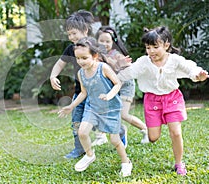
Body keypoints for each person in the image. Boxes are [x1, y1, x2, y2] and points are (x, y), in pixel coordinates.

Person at [117, 26, 209, 176]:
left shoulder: (174, 60)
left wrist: (198, 74)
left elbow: (189, 67)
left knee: (176, 132)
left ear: (166, 45)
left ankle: (179, 164)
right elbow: (129, 73)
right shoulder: (144, 62)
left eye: (155, 47)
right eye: (148, 47)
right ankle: (150, 132)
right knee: (153, 137)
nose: (151, 51)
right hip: (152, 101)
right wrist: (113, 74)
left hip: (172, 98)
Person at [50, 10, 127, 159]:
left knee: (102, 122)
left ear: (84, 30)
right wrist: (53, 76)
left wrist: (119, 64)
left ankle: (120, 131)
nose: (71, 37)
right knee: (77, 121)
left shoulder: (95, 46)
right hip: (81, 92)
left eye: (74, 33)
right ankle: (79, 149)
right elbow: (59, 64)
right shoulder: (70, 49)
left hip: (98, 94)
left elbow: (110, 63)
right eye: (69, 34)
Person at [58, 37, 132, 176]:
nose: (80, 61)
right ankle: (90, 154)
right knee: (82, 132)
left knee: (115, 140)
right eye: (78, 58)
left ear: (95, 56)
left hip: (111, 108)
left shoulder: (103, 68)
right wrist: (71, 106)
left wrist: (109, 95)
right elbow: (84, 93)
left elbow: (117, 83)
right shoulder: (81, 73)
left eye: (84, 58)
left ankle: (126, 162)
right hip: (92, 107)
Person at [92, 26, 149, 146]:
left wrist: (119, 64)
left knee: (124, 115)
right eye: (101, 41)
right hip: (111, 86)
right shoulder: (97, 55)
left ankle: (145, 130)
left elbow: (128, 70)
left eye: (108, 41)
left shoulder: (116, 55)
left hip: (125, 85)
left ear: (113, 42)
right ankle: (101, 136)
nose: (104, 44)